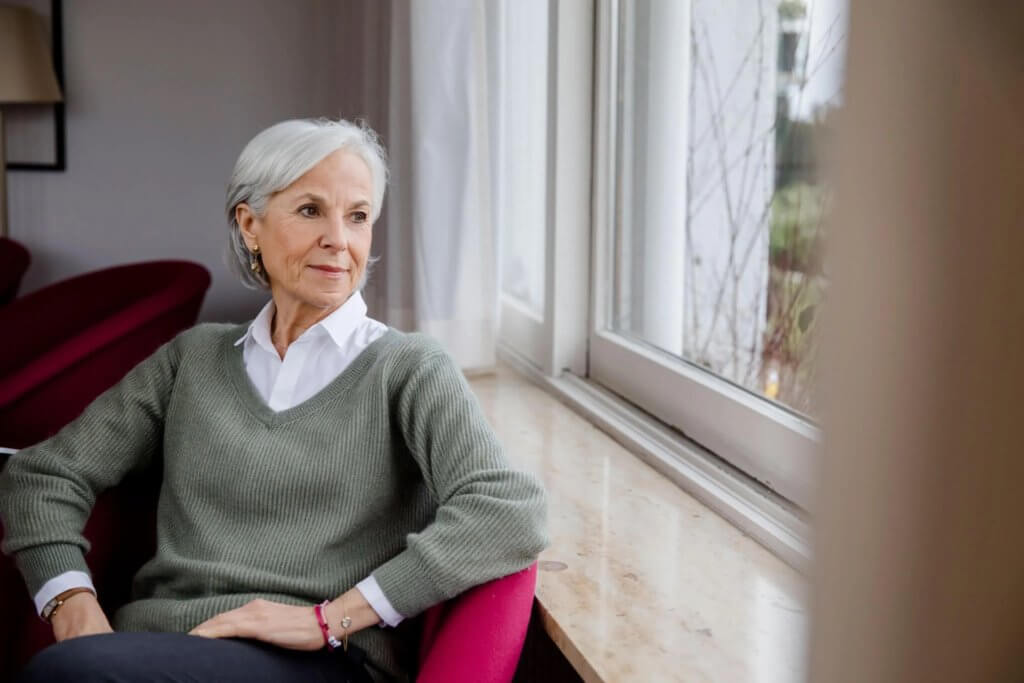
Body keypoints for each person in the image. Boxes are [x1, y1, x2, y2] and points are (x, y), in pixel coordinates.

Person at [0, 118, 549, 682]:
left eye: (357, 217)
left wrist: (329, 619)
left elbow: (510, 511)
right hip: (156, 647)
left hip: (318, 664)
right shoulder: (193, 359)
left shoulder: (408, 367)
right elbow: (43, 474)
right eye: (311, 210)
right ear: (250, 224)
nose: (339, 238)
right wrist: (70, 602)